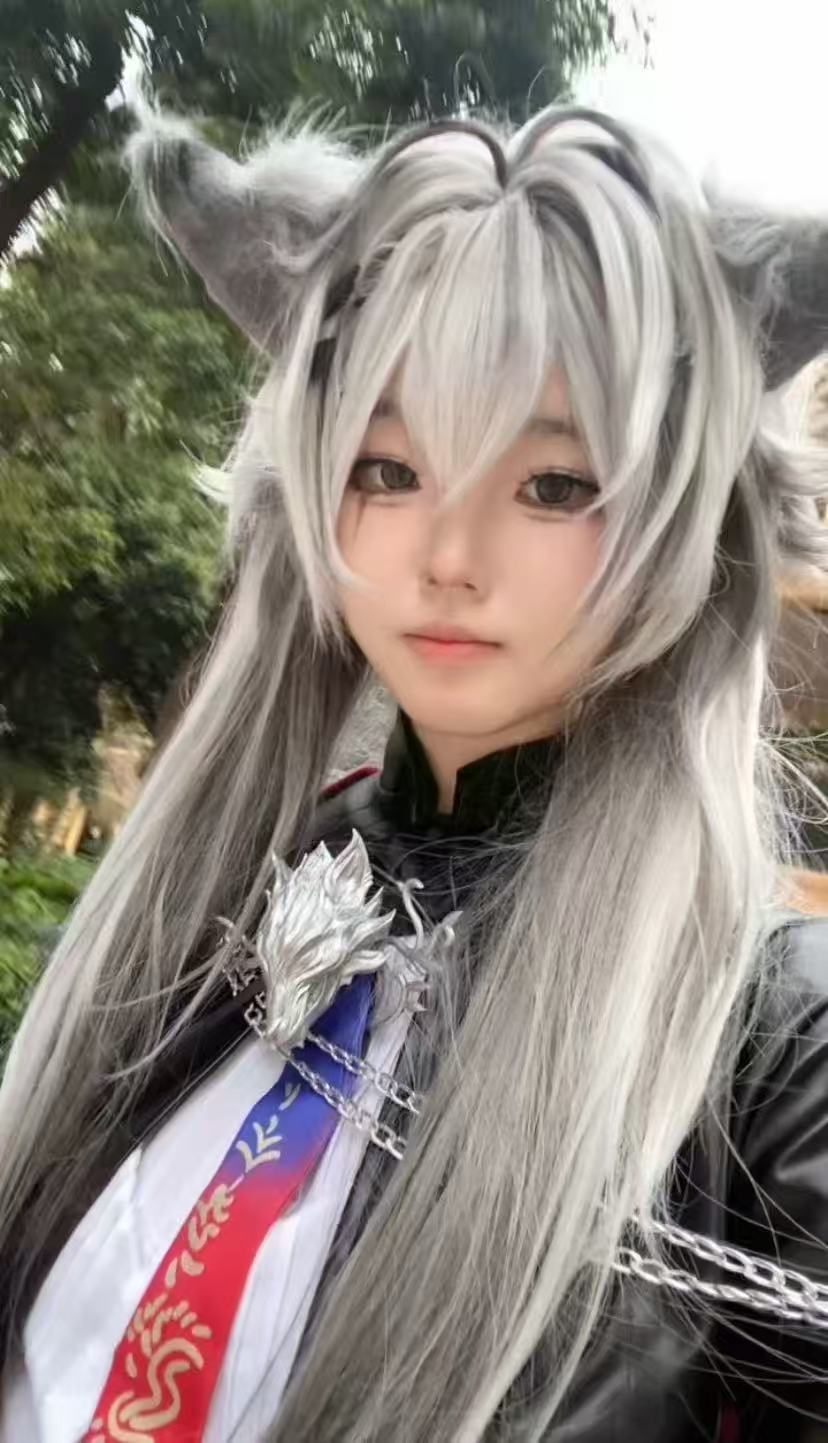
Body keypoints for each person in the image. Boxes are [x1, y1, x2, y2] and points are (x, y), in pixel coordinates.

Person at [1, 99, 827, 1443]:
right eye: (389, 469)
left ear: (687, 522)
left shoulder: (772, 1047)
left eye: (553, 484)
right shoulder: (225, 899)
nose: (447, 554)